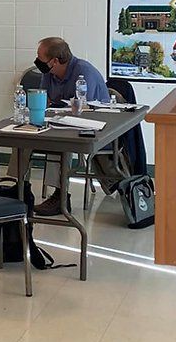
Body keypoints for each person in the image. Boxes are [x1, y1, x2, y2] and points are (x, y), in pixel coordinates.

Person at [22, 36, 111, 216]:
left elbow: (86, 110)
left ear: (55, 61)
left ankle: (60, 197)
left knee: (58, 144)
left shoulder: (84, 73)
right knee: (22, 138)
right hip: (60, 121)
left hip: (90, 126)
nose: (38, 61)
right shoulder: (49, 73)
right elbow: (44, 100)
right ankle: (18, 188)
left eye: (41, 58)